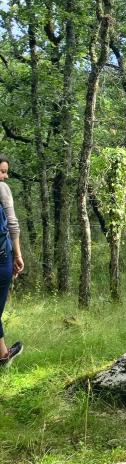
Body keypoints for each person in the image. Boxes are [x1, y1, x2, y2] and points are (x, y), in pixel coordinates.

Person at [0, 155, 24, 366]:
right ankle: (3, 356)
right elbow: (13, 225)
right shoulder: (2, 189)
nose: (5, 177)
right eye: (2, 171)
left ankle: (3, 354)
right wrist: (17, 255)